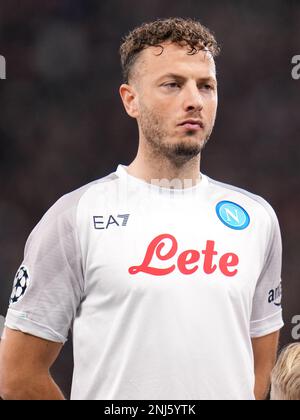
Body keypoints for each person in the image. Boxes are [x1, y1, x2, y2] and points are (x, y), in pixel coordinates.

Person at [0, 17, 283, 400]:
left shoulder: (257, 219)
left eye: (206, 86)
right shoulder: (76, 217)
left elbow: (257, 374)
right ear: (130, 100)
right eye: (172, 85)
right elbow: (17, 377)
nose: (194, 101)